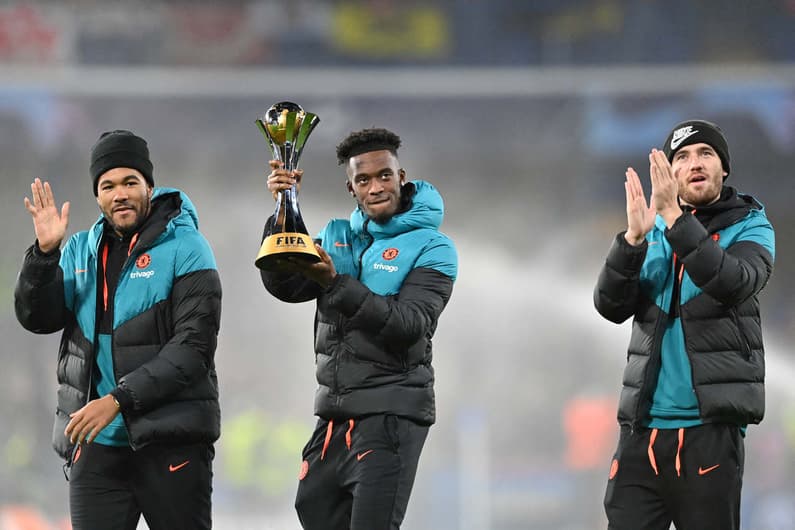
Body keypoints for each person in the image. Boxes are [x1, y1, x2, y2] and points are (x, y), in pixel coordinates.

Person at [14, 130, 222, 530]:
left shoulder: (189, 248)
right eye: (108, 185)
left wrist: (118, 400)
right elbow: (37, 318)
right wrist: (43, 256)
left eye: (130, 182)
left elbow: (193, 349)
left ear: (149, 185)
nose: (120, 194)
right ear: (97, 195)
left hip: (170, 442)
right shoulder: (77, 250)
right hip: (96, 447)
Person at [261, 128, 458, 529]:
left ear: (402, 177)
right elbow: (283, 284)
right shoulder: (337, 238)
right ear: (350, 188)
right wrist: (283, 210)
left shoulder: (433, 247)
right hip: (334, 415)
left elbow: (409, 324)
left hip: (390, 413)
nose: (376, 187)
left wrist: (336, 284)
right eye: (363, 180)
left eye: (384, 175)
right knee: (312, 509)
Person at [593, 119, 775, 529]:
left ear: (723, 168)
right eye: (682, 157)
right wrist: (632, 242)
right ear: (670, 173)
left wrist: (673, 217)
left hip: (708, 435)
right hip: (642, 435)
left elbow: (732, 283)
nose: (695, 162)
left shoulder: (751, 226)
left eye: (706, 153)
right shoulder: (652, 230)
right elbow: (610, 306)